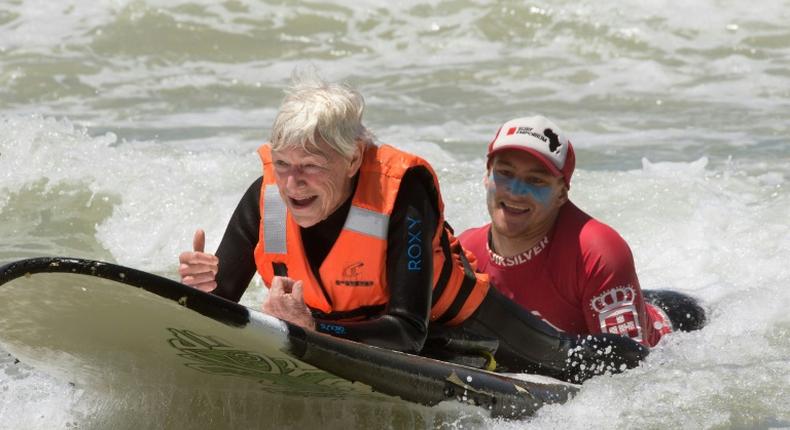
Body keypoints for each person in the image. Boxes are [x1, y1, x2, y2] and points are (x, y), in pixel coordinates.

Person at [177, 75, 648, 383]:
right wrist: (205, 289)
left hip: (459, 319)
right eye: (283, 164)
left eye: (311, 166)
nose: (292, 183)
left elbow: (408, 332)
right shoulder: (268, 196)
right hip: (355, 328)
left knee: (573, 361)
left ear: (354, 159)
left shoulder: (402, 193)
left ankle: (659, 330)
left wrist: (314, 328)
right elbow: (224, 306)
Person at [458, 115, 706, 349]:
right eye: (505, 173)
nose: (515, 190)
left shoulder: (596, 251)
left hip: (679, 325)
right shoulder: (465, 252)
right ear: (486, 175)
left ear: (562, 193)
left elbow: (630, 372)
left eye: (536, 180)